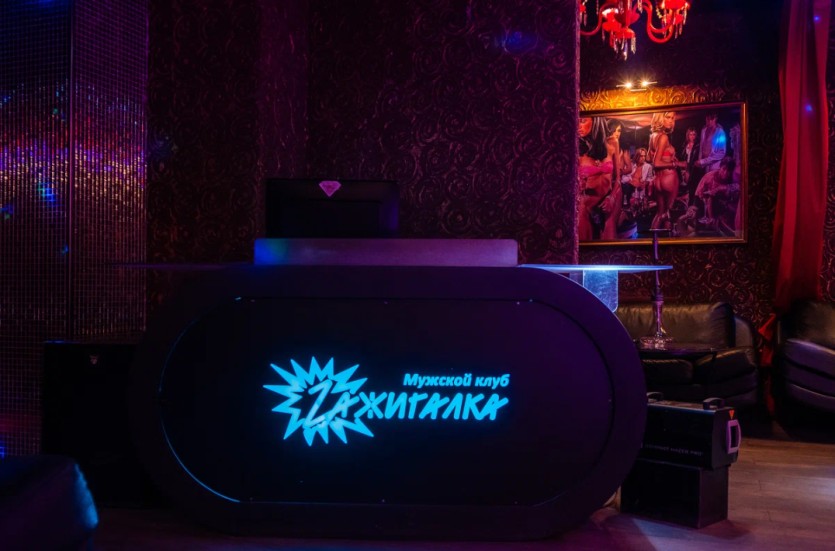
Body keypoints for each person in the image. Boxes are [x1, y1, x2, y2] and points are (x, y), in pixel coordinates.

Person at [578, 116, 619, 240]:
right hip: (585, 207)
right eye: (576, 122)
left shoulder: (612, 143)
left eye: (583, 121)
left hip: (606, 207)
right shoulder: (577, 149)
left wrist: (612, 197)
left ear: (596, 121)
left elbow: (617, 178)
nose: (578, 126)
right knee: (586, 249)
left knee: (609, 249)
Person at [647, 111, 686, 230]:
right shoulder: (663, 137)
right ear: (660, 117)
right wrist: (676, 164)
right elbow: (656, 163)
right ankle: (668, 241)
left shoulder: (653, 136)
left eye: (673, 118)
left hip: (658, 181)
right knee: (669, 216)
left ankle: (653, 240)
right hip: (668, 178)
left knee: (660, 214)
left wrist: (667, 158)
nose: (671, 121)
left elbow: (649, 158)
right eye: (668, 117)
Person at [695, 156, 736, 226]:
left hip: (723, 209)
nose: (725, 173)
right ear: (720, 167)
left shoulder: (732, 179)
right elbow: (700, 195)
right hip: (705, 206)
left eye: (729, 171)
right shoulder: (710, 177)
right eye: (724, 169)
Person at [677, 126, 701, 206]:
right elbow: (682, 156)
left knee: (692, 186)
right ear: (688, 135)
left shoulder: (697, 145)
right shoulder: (685, 145)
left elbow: (696, 158)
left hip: (693, 167)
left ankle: (691, 204)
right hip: (685, 166)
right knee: (685, 184)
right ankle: (685, 202)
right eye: (690, 134)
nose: (692, 136)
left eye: (694, 134)